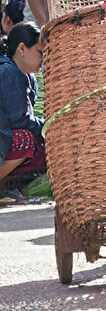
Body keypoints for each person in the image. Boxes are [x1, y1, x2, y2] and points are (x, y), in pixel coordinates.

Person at [0, 23, 45, 189]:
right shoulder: (8, 73)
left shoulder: (28, 77)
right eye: (39, 52)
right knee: (25, 140)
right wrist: (49, 125)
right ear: (21, 48)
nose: (43, 59)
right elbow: (20, 121)